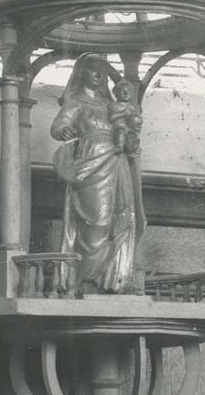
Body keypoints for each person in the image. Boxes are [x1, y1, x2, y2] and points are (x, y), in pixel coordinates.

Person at [50, 53, 146, 294]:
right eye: (93, 70)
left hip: (118, 160)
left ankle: (115, 280)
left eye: (102, 71)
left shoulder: (111, 104)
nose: (99, 75)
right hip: (91, 162)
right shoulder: (76, 102)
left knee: (123, 218)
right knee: (97, 223)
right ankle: (87, 280)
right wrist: (63, 130)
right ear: (81, 73)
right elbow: (58, 127)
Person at [108, 79, 143, 156]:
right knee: (121, 130)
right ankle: (119, 147)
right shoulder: (114, 106)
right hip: (119, 128)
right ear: (116, 93)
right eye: (123, 91)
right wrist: (123, 114)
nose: (126, 93)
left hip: (131, 131)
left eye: (129, 91)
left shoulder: (133, 107)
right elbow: (111, 118)